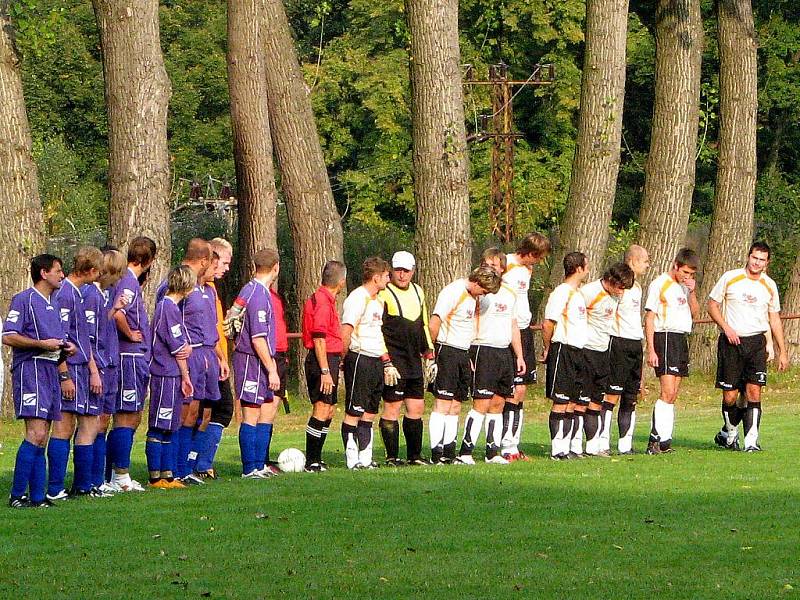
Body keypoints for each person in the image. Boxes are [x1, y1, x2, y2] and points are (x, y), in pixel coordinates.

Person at [5, 254, 76, 508]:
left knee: (43, 435)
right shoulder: (24, 300)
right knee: (35, 433)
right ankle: (17, 495)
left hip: (50, 370)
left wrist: (67, 349)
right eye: (58, 271)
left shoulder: (54, 304)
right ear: (44, 273)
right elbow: (9, 335)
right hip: (31, 370)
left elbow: (55, 341)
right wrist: (40, 344)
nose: (62, 275)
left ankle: (37, 497)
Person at [708, 241, 788, 452]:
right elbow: (712, 305)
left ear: (767, 263)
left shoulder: (769, 285)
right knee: (730, 395)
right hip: (731, 343)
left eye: (761, 260)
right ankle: (730, 433)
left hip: (756, 344)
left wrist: (782, 351)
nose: (757, 262)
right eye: (754, 257)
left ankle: (751, 441)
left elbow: (775, 319)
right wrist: (726, 327)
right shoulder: (730, 277)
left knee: (754, 392)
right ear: (748, 256)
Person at [155, 239, 214, 485]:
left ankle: (184, 469)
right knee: (181, 414)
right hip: (179, 360)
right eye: (210, 261)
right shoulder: (174, 285)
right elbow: (170, 325)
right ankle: (172, 470)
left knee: (195, 413)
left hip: (200, 356)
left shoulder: (201, 287)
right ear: (203, 261)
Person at [428, 265, 501, 464]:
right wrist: (430, 353)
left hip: (461, 353)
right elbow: (435, 322)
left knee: (456, 404)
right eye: (484, 291)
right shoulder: (453, 292)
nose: (484, 295)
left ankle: (449, 452)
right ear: (477, 282)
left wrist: (467, 355)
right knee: (442, 402)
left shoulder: (473, 297)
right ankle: (436, 452)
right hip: (446, 350)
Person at [456, 249, 523, 465]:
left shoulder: (511, 293)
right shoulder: (478, 293)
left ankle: (492, 452)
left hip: (503, 352)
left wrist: (519, 356)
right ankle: (465, 451)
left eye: (495, 266)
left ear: (503, 269)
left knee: (498, 403)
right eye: (487, 265)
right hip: (482, 349)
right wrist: (468, 350)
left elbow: (513, 324)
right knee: (481, 403)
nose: (491, 269)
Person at [48, 246, 104, 500]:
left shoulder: (80, 294)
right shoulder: (65, 295)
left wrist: (93, 370)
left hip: (83, 368)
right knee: (64, 426)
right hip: (70, 369)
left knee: (90, 423)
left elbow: (83, 339)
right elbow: (58, 338)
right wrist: (64, 375)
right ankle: (55, 487)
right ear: (91, 270)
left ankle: (84, 484)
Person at [107, 236, 157, 492]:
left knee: (131, 415)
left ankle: (110, 474)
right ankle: (120, 476)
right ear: (149, 260)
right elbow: (117, 314)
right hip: (129, 357)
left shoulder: (130, 281)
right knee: (127, 416)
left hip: (134, 357)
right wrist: (130, 333)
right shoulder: (128, 281)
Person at [377, 251, 434, 466]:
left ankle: (414, 456)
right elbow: (377, 329)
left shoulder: (419, 292)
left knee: (416, 407)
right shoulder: (384, 293)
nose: (402, 275)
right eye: (398, 270)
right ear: (392, 270)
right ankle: (392, 456)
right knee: (392, 407)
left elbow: (424, 325)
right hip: (394, 360)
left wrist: (429, 353)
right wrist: (385, 361)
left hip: (413, 361)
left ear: (413, 271)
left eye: (406, 271)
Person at [231, 249, 281, 479]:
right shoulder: (259, 295)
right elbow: (258, 338)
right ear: (276, 268)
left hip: (252, 359)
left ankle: (259, 465)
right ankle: (250, 468)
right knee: (251, 413)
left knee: (263, 411)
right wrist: (272, 369)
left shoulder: (249, 289)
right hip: (251, 360)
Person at [644, 247, 700, 454]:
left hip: (680, 338)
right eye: (685, 272)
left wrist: (692, 291)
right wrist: (651, 349)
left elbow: (695, 312)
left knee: (673, 393)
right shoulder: (660, 284)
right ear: (676, 265)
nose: (687, 277)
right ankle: (654, 440)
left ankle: (665, 441)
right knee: (666, 391)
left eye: (691, 274)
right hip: (665, 336)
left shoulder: (685, 287)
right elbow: (649, 318)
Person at [340, 257, 395, 470]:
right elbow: (346, 331)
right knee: (354, 410)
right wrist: (344, 359)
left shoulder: (379, 300)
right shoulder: (357, 298)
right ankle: (352, 459)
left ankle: (366, 457)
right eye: (386, 276)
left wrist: (387, 360)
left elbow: (376, 333)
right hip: (360, 357)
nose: (388, 280)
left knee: (370, 410)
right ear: (376, 277)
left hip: (375, 361)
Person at [500, 233, 551, 461]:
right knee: (512, 390)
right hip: (508, 333)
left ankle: (514, 444)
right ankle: (505, 445)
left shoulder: (527, 271)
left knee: (521, 392)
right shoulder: (505, 264)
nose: (538, 263)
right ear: (530, 253)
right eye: (537, 258)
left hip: (524, 331)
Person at [146, 266, 195, 488]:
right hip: (165, 373)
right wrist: (186, 375)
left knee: (170, 424)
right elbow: (178, 348)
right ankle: (156, 476)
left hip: (172, 373)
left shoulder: (172, 307)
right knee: (160, 423)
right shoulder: (167, 308)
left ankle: (167, 474)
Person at [84, 248, 128, 493]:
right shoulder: (90, 294)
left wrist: (114, 310)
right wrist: (93, 369)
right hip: (99, 365)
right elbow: (88, 336)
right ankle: (91, 480)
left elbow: (103, 325)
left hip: (109, 362)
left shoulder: (105, 295)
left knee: (104, 421)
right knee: (95, 423)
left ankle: (98, 480)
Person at [580, 262, 634, 456]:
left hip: (604, 350)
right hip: (586, 350)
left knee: (597, 400)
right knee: (581, 400)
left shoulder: (616, 296)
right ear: (611, 280)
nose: (622, 292)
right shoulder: (589, 292)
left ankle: (593, 447)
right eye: (620, 287)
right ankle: (574, 445)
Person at [601, 245, 650, 454]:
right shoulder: (618, 288)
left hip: (634, 343)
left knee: (631, 395)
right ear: (632, 261)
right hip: (619, 342)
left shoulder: (638, 288)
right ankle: (601, 441)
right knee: (612, 394)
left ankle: (625, 444)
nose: (648, 265)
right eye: (645, 261)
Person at [541, 252, 590, 460]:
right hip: (563, 349)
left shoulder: (578, 294)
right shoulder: (561, 292)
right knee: (560, 401)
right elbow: (548, 323)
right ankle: (557, 449)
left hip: (579, 351)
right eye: (586, 266)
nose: (588, 269)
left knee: (572, 401)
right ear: (578, 268)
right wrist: (548, 347)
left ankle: (567, 447)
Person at [194, 237, 234, 479]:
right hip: (205, 358)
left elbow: (214, 326)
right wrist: (218, 357)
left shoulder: (211, 290)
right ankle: (198, 463)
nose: (226, 268)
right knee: (212, 411)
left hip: (216, 357)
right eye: (225, 262)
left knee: (212, 412)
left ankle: (201, 463)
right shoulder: (196, 289)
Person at [302, 260, 347, 472]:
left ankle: (317, 458)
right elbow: (319, 338)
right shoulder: (321, 301)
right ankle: (311, 460)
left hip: (330, 358)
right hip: (322, 360)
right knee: (321, 407)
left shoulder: (327, 300)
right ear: (342, 281)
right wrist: (325, 371)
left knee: (328, 410)